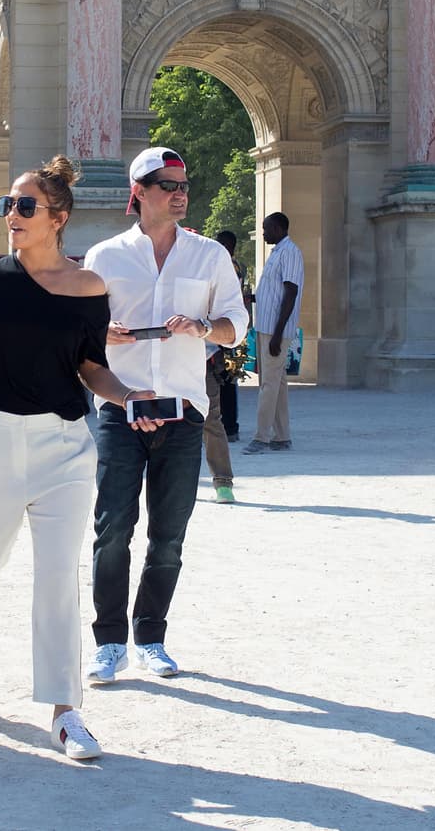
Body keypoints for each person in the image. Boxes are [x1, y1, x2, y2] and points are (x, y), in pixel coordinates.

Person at [0, 156, 159, 760]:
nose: (10, 216)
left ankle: (66, 712)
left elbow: (91, 366)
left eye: (24, 206)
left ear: (58, 218)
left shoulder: (90, 289)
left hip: (64, 447)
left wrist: (127, 397)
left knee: (57, 580)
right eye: (6, 206)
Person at [83, 147, 248, 681]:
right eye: (165, 183)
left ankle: (151, 636)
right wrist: (98, 332)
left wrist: (202, 329)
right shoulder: (105, 257)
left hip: (182, 409)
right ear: (138, 193)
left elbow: (236, 326)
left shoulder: (209, 256)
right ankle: (109, 641)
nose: (179, 192)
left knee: (169, 533)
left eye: (183, 183)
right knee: (112, 527)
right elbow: (79, 334)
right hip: (120, 405)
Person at [243, 212, 304, 455]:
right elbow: (275, 291)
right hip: (265, 326)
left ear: (278, 228)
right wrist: (254, 298)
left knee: (268, 384)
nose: (264, 233)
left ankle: (262, 437)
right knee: (276, 383)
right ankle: (282, 436)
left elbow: (290, 293)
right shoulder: (277, 252)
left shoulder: (290, 252)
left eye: (266, 229)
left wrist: (279, 333)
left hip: (275, 329)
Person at [213, 231, 250, 442]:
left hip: (227, 329)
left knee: (227, 379)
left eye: (223, 246)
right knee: (224, 380)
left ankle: (230, 426)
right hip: (223, 328)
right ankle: (228, 425)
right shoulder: (228, 266)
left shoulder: (230, 267)